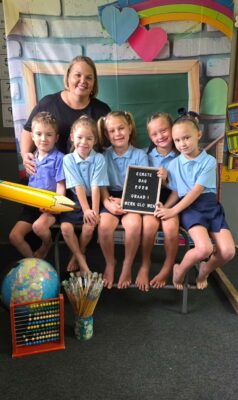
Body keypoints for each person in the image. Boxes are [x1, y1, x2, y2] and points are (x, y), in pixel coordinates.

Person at [155, 109, 236, 290]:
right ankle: (179, 269)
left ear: (198, 134)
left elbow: (196, 191)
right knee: (204, 248)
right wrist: (165, 203)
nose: (182, 144)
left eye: (186, 138)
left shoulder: (208, 162)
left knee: (228, 251)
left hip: (209, 206)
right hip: (191, 210)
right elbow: (178, 191)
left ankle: (205, 269)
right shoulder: (172, 164)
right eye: (177, 140)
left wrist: (173, 210)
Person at [20, 55, 111, 175]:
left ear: (94, 83)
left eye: (89, 78)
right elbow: (28, 130)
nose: (83, 81)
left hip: (88, 179)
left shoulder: (102, 110)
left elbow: (110, 147)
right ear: (68, 77)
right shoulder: (48, 103)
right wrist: (25, 156)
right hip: (51, 177)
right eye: (77, 75)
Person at [97, 111, 149, 289]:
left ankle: (127, 264)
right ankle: (110, 263)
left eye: (121, 128)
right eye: (112, 131)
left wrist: (126, 201)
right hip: (110, 198)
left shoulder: (141, 155)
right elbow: (101, 184)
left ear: (130, 128)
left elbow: (143, 185)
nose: (117, 133)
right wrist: (106, 203)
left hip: (132, 198)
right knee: (104, 226)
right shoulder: (102, 156)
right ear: (106, 134)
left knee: (134, 225)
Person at [9, 112, 66, 259]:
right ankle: (34, 263)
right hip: (31, 206)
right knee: (14, 236)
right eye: (39, 134)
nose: (43, 139)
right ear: (32, 136)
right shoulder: (31, 158)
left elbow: (61, 186)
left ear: (56, 138)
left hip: (50, 206)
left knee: (38, 227)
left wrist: (55, 207)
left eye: (49, 134)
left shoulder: (60, 159)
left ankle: (46, 244)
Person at [135, 112, 179, 291]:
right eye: (154, 134)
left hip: (174, 201)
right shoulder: (146, 156)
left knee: (170, 228)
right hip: (151, 200)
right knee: (149, 226)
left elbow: (181, 189)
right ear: (150, 137)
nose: (160, 136)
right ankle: (145, 264)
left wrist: (167, 181)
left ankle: (168, 267)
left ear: (172, 129)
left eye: (164, 131)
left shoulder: (181, 155)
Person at [60, 115, 109, 274]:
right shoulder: (68, 159)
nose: (84, 142)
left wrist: (93, 211)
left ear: (95, 140)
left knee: (89, 228)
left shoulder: (99, 158)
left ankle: (77, 256)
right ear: (72, 137)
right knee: (65, 227)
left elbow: (95, 186)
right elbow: (78, 186)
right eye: (80, 137)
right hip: (75, 200)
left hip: (93, 199)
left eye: (89, 138)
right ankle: (81, 259)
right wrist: (86, 209)